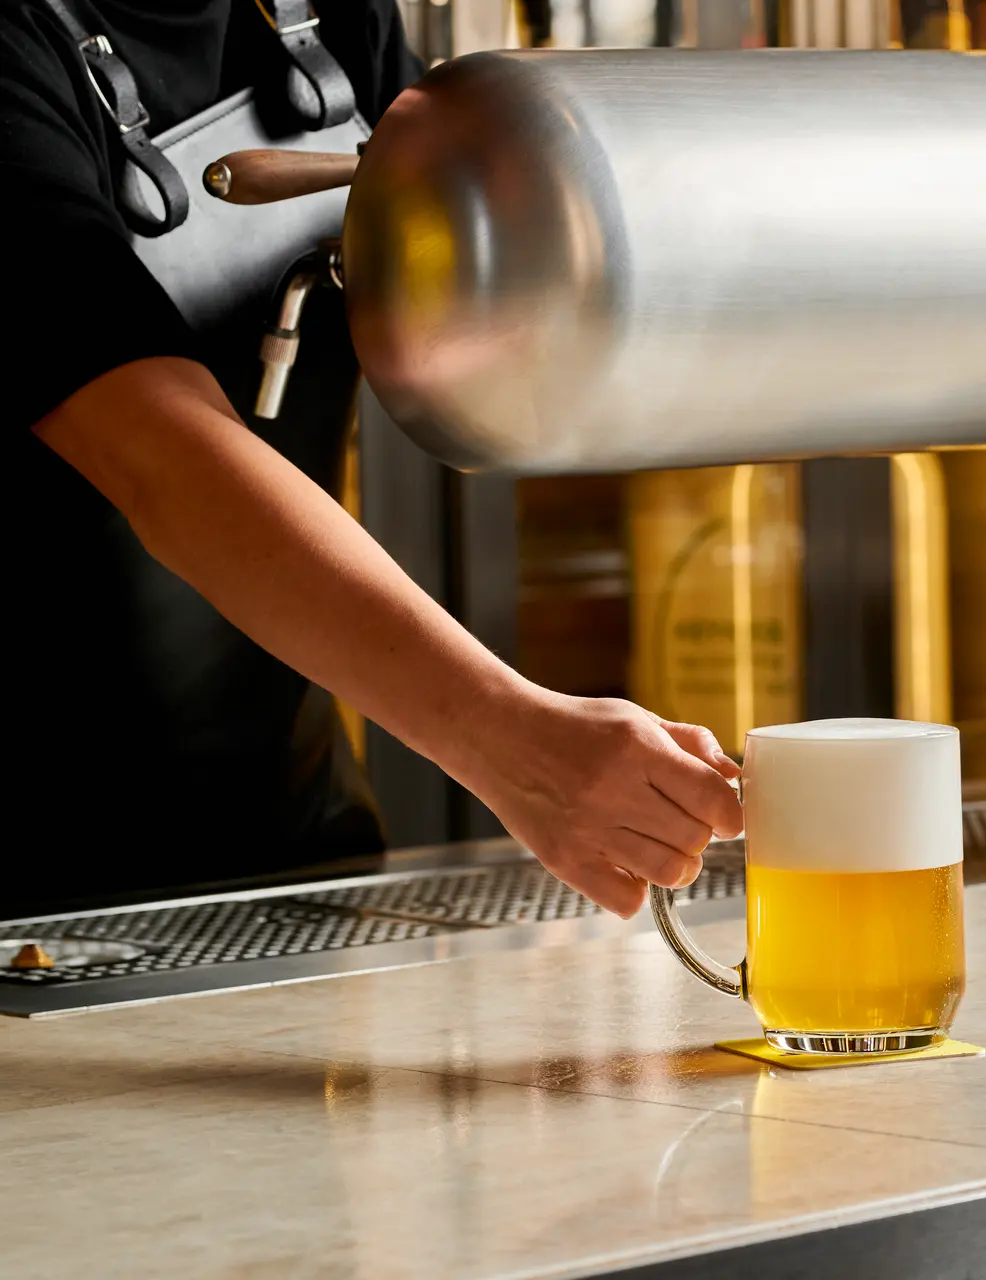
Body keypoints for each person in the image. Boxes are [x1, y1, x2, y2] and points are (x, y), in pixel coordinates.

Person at [2, 0, 742, 917]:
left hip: (296, 837)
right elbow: (161, 455)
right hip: (34, 882)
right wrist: (506, 736)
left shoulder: (326, 14)